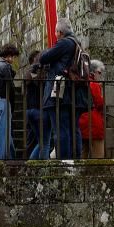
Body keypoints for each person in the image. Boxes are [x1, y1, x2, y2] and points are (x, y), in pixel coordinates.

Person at [38, 19, 86, 159]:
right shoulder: (77, 43)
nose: (55, 34)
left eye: (56, 32)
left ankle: (64, 162)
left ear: (59, 32)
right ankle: (75, 159)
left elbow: (44, 58)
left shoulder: (64, 43)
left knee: (60, 128)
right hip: (71, 92)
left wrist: (48, 52)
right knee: (72, 128)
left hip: (60, 91)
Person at [0, 44, 18, 160]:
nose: (13, 59)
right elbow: (10, 86)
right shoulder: (5, 67)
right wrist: (13, 104)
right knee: (2, 134)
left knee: (4, 132)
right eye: (13, 56)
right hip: (3, 100)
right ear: (9, 56)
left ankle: (11, 158)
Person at [78, 60, 107, 158]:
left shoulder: (82, 83)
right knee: (98, 155)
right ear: (92, 72)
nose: (100, 75)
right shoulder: (93, 84)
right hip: (93, 122)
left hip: (81, 121)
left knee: (83, 154)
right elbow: (99, 103)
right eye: (99, 72)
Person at [22, 50, 45, 159]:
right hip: (36, 107)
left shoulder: (29, 71)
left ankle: (28, 161)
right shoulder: (33, 70)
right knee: (42, 140)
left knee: (32, 138)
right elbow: (37, 83)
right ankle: (30, 162)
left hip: (29, 108)